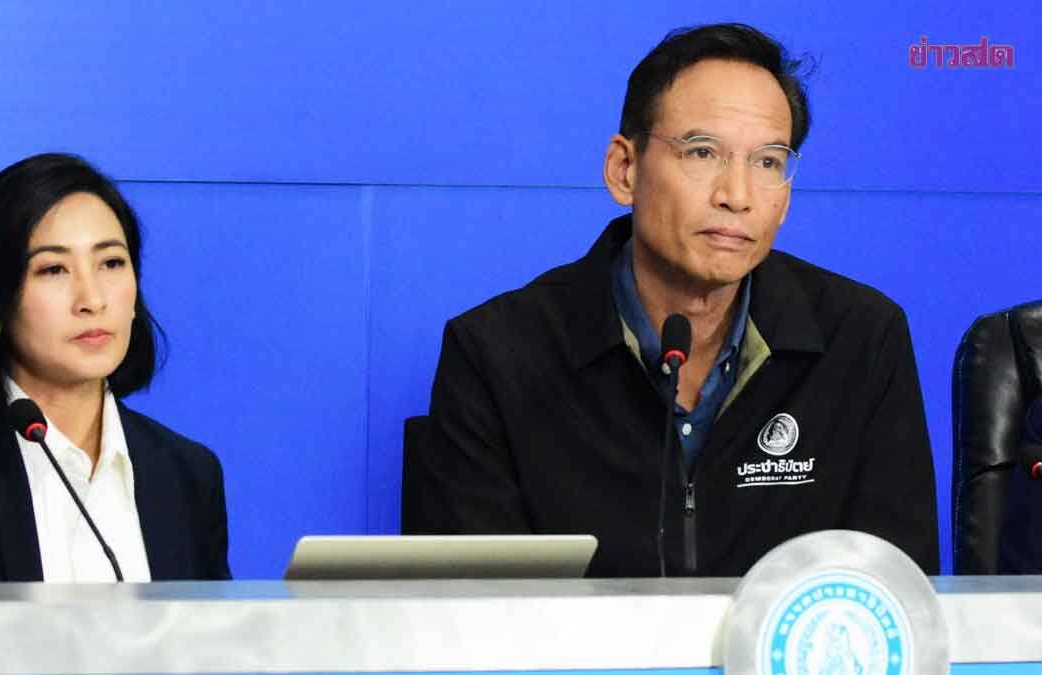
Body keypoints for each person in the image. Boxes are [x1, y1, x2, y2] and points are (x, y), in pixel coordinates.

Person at [402, 23, 940, 577]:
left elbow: (898, 590)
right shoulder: (498, 354)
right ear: (624, 170)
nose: (736, 196)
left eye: (767, 162)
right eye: (702, 152)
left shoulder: (861, 340)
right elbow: (470, 611)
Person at [0, 153, 231, 582]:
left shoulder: (188, 474)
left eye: (111, 263)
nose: (92, 300)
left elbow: (212, 628)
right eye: (53, 269)